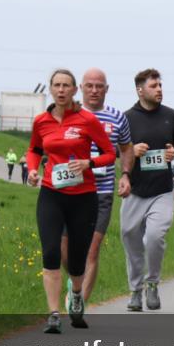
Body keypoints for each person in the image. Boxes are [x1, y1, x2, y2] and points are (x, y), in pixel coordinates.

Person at [27, 69, 115, 332]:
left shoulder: (86, 120)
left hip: (83, 197)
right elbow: (34, 149)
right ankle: (54, 313)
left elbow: (110, 154)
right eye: (57, 85)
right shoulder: (41, 121)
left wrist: (88, 162)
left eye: (67, 85)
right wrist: (33, 169)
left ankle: (76, 293)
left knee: (77, 260)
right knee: (51, 252)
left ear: (75, 90)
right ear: (51, 89)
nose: (62, 90)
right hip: (51, 194)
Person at [59, 68, 134, 303]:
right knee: (65, 250)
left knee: (91, 249)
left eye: (99, 86)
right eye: (89, 85)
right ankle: (75, 278)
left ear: (106, 89)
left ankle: (79, 301)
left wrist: (125, 175)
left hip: (100, 192)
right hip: (69, 190)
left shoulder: (117, 117)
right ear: (80, 88)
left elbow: (126, 148)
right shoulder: (64, 115)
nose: (94, 90)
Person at [120, 69, 174, 311]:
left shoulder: (171, 116)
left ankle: (153, 283)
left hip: (161, 190)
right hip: (135, 190)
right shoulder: (126, 118)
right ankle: (135, 291)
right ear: (140, 90)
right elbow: (117, 148)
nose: (159, 89)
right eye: (154, 85)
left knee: (155, 237)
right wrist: (131, 151)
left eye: (160, 85)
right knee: (131, 239)